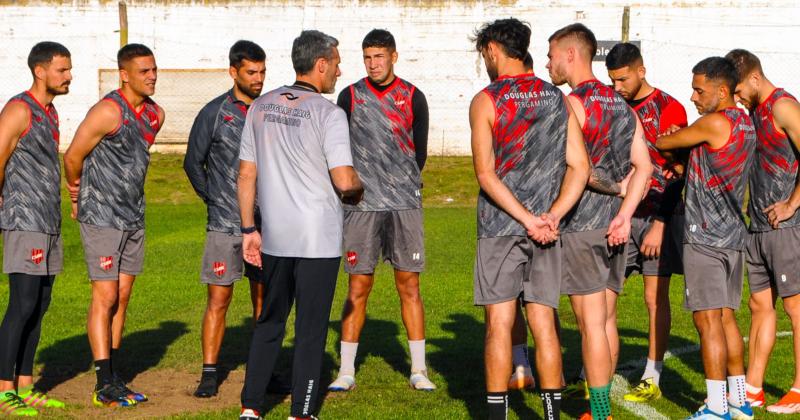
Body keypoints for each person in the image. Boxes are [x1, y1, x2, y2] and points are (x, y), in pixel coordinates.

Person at [237, 30, 363, 420]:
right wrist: (360, 187)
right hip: (317, 241)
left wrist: (247, 230)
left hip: (274, 236)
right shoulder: (329, 113)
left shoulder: (261, 106)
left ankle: (251, 407)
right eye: (337, 63)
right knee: (310, 330)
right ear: (321, 64)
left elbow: (245, 173)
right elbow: (344, 180)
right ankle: (302, 412)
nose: (340, 72)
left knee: (270, 321)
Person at [469, 18, 591, 420]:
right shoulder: (557, 99)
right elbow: (580, 168)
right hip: (546, 229)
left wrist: (525, 219)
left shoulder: (486, 100)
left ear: (493, 50)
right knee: (544, 323)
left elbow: (485, 173)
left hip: (501, 228)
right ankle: (552, 415)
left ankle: (496, 415)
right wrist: (550, 216)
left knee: (499, 324)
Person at [546, 23, 652, 420]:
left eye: (553, 53)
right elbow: (644, 167)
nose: (548, 62)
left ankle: (600, 410)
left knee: (590, 324)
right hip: (615, 229)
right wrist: (625, 215)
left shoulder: (571, 103)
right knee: (606, 320)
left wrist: (613, 192)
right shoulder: (621, 104)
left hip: (582, 226)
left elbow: (580, 169)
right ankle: (598, 405)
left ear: (571, 54)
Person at [328, 28, 434, 393]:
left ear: (393, 56)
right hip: (362, 207)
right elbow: (339, 149)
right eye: (367, 58)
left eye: (379, 57)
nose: (373, 64)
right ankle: (346, 371)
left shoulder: (413, 97)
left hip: (405, 205)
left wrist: (398, 183)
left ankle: (419, 370)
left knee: (410, 286)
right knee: (358, 286)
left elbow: (418, 154)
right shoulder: (350, 96)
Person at [184, 40, 291, 398]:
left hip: (266, 228)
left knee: (264, 301)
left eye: (262, 72)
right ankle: (210, 373)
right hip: (224, 228)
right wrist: (215, 200)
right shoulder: (214, 112)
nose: (258, 79)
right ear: (233, 72)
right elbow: (192, 163)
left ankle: (265, 370)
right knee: (219, 299)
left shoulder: (272, 111)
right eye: (251, 72)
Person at [64, 43, 165, 407]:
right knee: (104, 297)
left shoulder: (156, 115)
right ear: (124, 74)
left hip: (134, 217)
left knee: (122, 298)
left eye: (154, 69)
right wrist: (77, 195)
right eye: (144, 71)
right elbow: (74, 156)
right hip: (102, 217)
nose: (152, 76)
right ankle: (103, 381)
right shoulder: (108, 111)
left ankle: (115, 376)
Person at [656, 56, 755, 420]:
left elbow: (663, 140)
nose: (694, 96)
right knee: (727, 319)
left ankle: (715, 406)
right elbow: (711, 163)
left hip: (705, 238)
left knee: (707, 321)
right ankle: (738, 400)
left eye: (700, 89)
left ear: (722, 90)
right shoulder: (744, 124)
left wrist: (670, 144)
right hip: (732, 236)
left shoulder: (712, 122)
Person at [605, 42, 688, 403]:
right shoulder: (612, 106)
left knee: (655, 299)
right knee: (604, 297)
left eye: (622, 79)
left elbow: (677, 172)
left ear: (641, 70)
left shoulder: (669, 108)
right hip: (619, 216)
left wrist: (660, 221)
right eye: (612, 81)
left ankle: (652, 375)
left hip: (657, 215)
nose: (617, 87)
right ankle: (598, 371)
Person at [726, 48, 800, 415]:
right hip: (755, 225)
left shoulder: (784, 106)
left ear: (754, 79)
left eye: (738, 90)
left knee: (796, 308)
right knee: (759, 306)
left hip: (786, 227)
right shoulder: (753, 112)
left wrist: (792, 204)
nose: (736, 97)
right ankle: (753, 388)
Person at [0, 41, 72, 416]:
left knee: (40, 305)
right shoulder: (18, 109)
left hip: (48, 222)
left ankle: (26, 386)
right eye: (62, 70)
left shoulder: (50, 112)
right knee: (22, 304)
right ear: (40, 70)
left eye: (69, 69)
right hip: (23, 221)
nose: (69, 76)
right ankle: (3, 389)